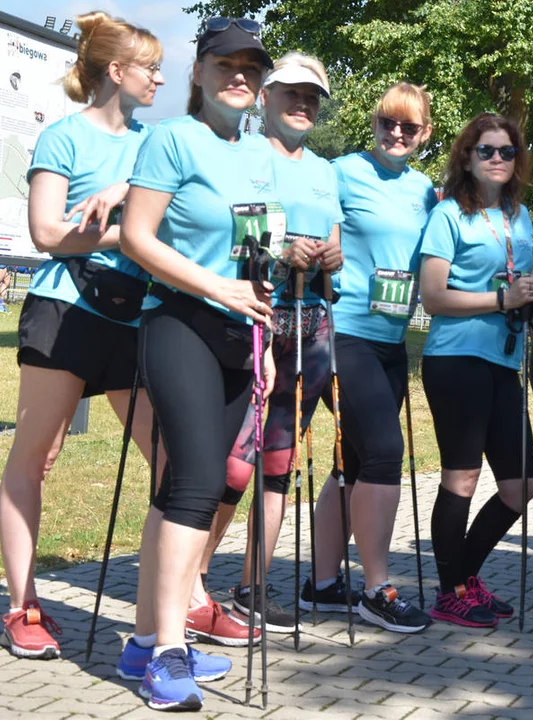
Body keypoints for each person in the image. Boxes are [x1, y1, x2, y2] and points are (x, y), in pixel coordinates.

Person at [118, 18, 278, 710]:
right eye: (225, 64)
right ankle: (169, 650)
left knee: (183, 491)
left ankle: (140, 643)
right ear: (199, 70)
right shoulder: (168, 139)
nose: (239, 75)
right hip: (178, 322)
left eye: (251, 66)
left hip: (239, 336)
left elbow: (253, 257)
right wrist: (214, 287)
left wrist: (263, 336)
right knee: (196, 483)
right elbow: (135, 236)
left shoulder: (259, 154)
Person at [0, 11, 163, 661]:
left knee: (179, 465)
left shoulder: (156, 144)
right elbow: (45, 233)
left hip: (136, 320)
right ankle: (23, 604)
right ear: (116, 71)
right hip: (65, 310)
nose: (158, 76)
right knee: (35, 460)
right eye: (149, 66)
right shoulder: (65, 136)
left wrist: (130, 194)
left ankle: (175, 603)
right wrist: (125, 232)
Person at [197, 52, 343, 634]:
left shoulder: (324, 170)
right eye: (291, 94)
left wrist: (331, 257)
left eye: (312, 97)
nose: (302, 104)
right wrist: (279, 252)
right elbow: (236, 237)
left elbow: (334, 250)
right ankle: (192, 584)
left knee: (279, 461)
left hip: (312, 324)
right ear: (266, 97)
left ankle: (252, 585)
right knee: (235, 466)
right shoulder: (245, 154)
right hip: (256, 315)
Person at [299, 82, 437, 633]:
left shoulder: (427, 190)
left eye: (409, 126)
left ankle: (324, 584)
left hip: (392, 338)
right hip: (343, 332)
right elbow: (308, 234)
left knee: (350, 463)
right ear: (375, 122)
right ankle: (376, 589)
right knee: (383, 451)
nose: (396, 134)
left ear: (425, 133)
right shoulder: (340, 171)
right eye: (388, 122)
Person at [419, 112, 533, 627]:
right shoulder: (449, 214)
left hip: (503, 361)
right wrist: (501, 297)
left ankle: (462, 577)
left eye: (507, 151)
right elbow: (432, 296)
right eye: (487, 151)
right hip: (456, 358)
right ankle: (451, 590)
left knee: (522, 484)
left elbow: (519, 281)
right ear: (468, 159)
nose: (498, 159)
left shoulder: (521, 216)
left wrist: (531, 297)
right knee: (463, 477)